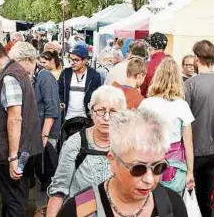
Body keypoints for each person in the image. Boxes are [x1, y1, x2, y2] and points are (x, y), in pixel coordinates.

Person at [58, 109, 188, 217]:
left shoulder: (173, 204)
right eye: (138, 168)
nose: (149, 179)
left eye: (158, 167)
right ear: (112, 161)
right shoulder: (79, 210)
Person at [0, 39, 43, 217]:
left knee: (14, 201)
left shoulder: (9, 77)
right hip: (18, 150)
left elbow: (15, 118)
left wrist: (13, 157)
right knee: (13, 199)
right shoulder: (14, 72)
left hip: (14, 152)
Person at [46, 85, 127, 217]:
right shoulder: (75, 143)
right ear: (91, 111)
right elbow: (58, 191)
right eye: (101, 110)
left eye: (113, 112)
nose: (106, 117)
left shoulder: (127, 145)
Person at [9, 42, 61, 216]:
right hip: (33, 134)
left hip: (45, 133)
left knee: (44, 173)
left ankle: (43, 209)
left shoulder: (45, 77)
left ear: (25, 60)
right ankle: (35, 206)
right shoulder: (30, 77)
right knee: (34, 171)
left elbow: (52, 110)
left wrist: (44, 136)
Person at [139, 59, 195, 195]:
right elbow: (188, 143)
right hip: (175, 166)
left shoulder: (146, 104)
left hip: (149, 162)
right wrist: (190, 172)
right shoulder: (182, 105)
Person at [184, 40, 214, 217]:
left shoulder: (190, 84)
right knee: (207, 197)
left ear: (197, 59)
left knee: (191, 198)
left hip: (194, 150)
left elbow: (184, 120)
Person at [59, 40, 101, 140]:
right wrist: (61, 101)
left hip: (85, 119)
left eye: (76, 60)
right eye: (70, 59)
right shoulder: (65, 73)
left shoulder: (94, 75)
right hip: (66, 118)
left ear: (85, 60)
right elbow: (59, 90)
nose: (72, 62)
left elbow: (97, 95)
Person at [141, 32, 168, 97]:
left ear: (151, 47)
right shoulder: (171, 63)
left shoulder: (148, 66)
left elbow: (142, 90)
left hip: (150, 101)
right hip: (169, 100)